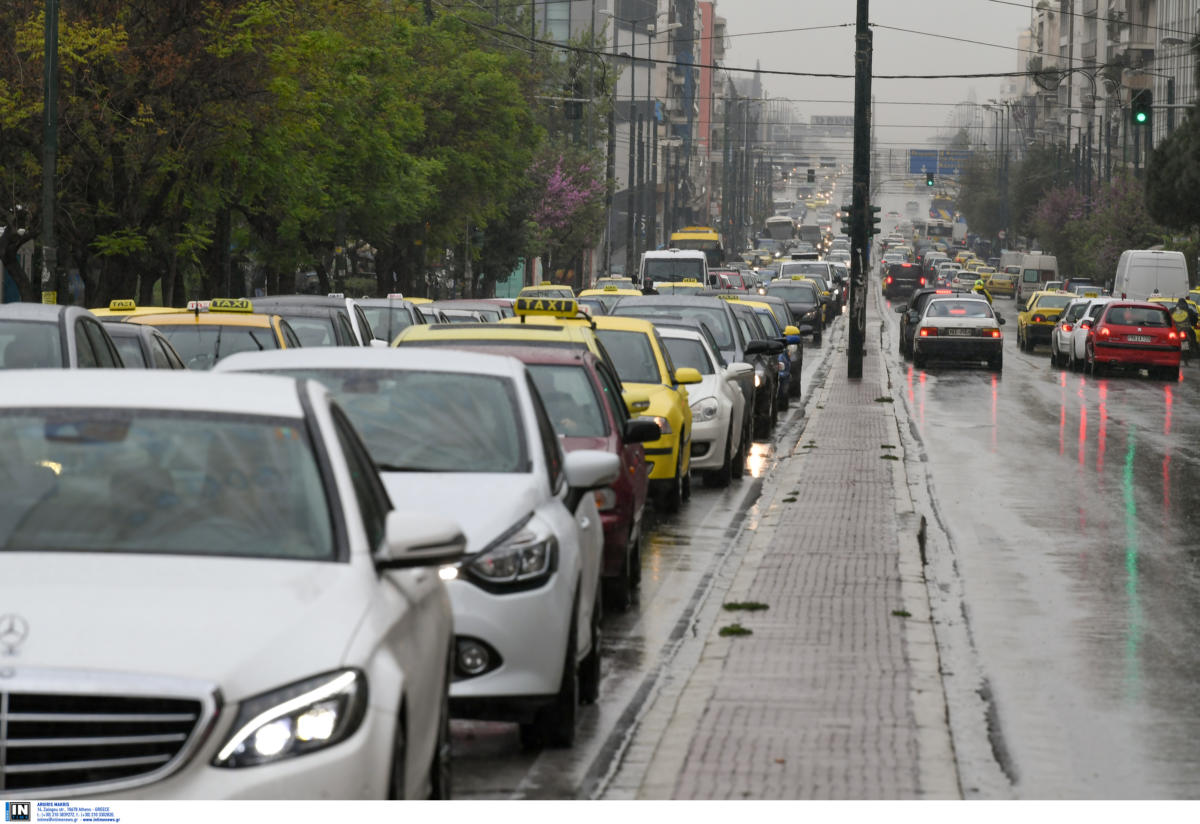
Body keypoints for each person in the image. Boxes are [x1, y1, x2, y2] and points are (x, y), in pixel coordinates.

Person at [1172, 298, 1197, 364]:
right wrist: (1194, 323)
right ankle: (1194, 350)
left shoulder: (1173, 310)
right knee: (1193, 337)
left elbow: (1167, 318)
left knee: (1171, 339)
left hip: (1176, 329)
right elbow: (1194, 318)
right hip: (1187, 329)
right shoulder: (1189, 310)